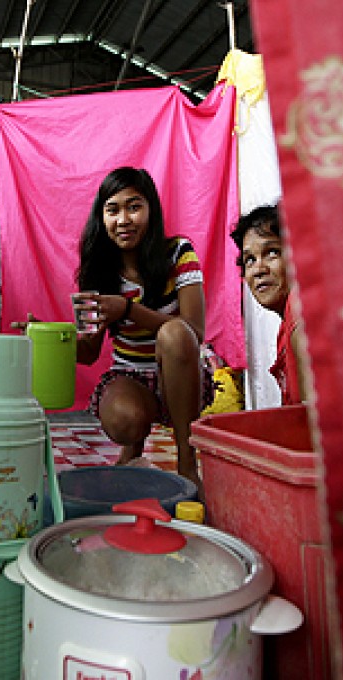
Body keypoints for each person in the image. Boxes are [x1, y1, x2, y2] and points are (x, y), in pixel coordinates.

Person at [74, 167, 211, 497]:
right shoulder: (97, 271)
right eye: (113, 210)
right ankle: (132, 449)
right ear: (101, 218)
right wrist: (49, 337)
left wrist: (128, 309)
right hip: (130, 375)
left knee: (175, 333)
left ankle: (187, 461)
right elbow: (90, 352)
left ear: (151, 210)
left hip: (180, 373)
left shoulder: (178, 252)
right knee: (125, 418)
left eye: (134, 207)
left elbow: (195, 330)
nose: (123, 219)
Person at [230, 204, 304, 405]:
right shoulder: (286, 323)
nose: (258, 270)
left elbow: (313, 420)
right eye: (250, 260)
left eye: (272, 252)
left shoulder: (299, 310)